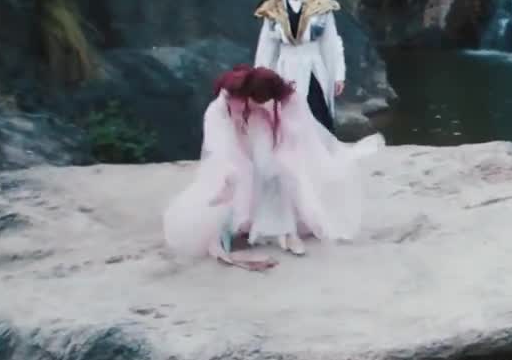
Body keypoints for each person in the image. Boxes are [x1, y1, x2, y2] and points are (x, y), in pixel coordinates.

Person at [163, 65, 383, 271]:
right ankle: (243, 221)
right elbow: (221, 140)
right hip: (240, 125)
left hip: (270, 129)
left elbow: (297, 135)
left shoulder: (287, 99)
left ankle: (285, 228)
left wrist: (281, 148)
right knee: (240, 173)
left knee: (276, 170)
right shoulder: (230, 98)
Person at [253, 0, 346, 133]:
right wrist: (260, 77)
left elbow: (332, 42)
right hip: (285, 69)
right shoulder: (273, 7)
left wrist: (338, 75)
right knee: (288, 122)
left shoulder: (320, 4)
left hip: (312, 67)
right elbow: (266, 46)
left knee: (318, 117)